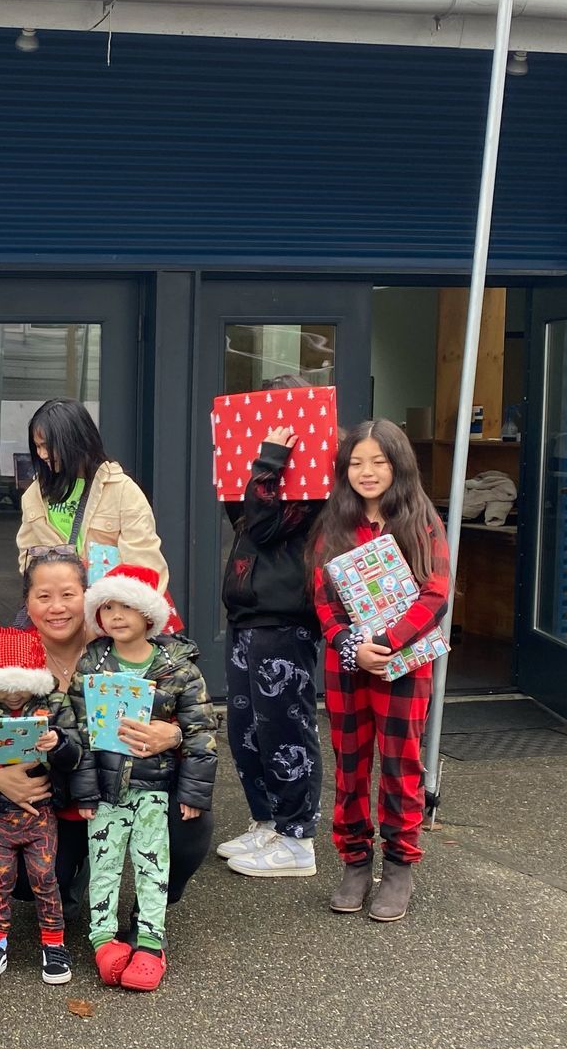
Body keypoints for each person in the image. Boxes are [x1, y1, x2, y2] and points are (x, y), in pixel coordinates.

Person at [309, 419, 451, 924]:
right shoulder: (333, 525)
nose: (367, 472)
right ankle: (353, 862)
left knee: (400, 764)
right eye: (357, 463)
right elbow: (323, 600)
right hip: (347, 666)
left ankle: (398, 867)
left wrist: (387, 643)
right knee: (350, 765)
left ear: (398, 465)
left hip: (405, 665)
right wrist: (351, 644)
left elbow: (436, 593)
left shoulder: (420, 520)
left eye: (379, 462)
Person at [68, 563, 216, 993]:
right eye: (107, 606)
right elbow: (79, 733)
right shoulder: (92, 662)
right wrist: (86, 789)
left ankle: (151, 941)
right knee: (105, 864)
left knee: (153, 866)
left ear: (149, 614)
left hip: (156, 787)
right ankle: (102, 939)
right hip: (108, 790)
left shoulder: (179, 668)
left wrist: (192, 791)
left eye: (127, 606)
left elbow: (201, 732)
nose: (115, 615)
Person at [219, 411, 326, 880]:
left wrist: (269, 461)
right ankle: (267, 821)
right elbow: (244, 519)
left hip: (284, 619)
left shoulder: (314, 477)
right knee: (246, 727)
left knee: (286, 728)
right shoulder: (270, 469)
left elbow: (264, 526)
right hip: (247, 615)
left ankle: (297, 838)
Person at [0, 626, 82, 988]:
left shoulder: (53, 702)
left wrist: (58, 743)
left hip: (42, 813)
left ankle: (54, 942)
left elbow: (75, 753)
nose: (11, 694)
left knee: (44, 878)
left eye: (20, 685)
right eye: (2, 686)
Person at [13, 397, 167, 589]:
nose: (42, 454)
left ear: (73, 441)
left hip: (107, 611)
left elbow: (146, 567)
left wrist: (115, 612)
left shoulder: (122, 491)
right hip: (58, 611)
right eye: (37, 446)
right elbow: (27, 559)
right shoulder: (35, 494)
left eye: (47, 446)